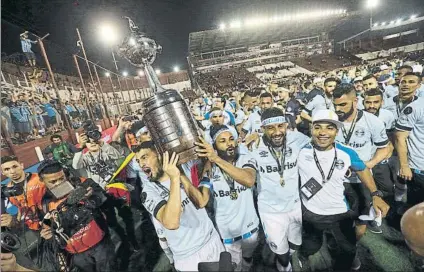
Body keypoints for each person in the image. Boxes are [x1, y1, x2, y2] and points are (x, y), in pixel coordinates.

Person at [297, 109, 389, 271]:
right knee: (311, 245)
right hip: (311, 212)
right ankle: (303, 258)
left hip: (340, 213)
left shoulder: (346, 152)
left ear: (337, 131)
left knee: (347, 249)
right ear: (311, 129)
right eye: (318, 127)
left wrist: (375, 194)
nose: (323, 133)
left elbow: (362, 169)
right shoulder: (300, 150)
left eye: (329, 128)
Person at [134, 142, 224, 271]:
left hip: (211, 240)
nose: (141, 164)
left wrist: (209, 158)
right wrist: (174, 178)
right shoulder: (148, 192)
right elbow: (171, 223)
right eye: (138, 161)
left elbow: (201, 202)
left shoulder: (182, 171)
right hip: (189, 257)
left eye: (144, 157)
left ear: (160, 155)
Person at [249, 107, 310, 272]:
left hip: (295, 205)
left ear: (286, 125)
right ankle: (284, 265)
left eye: (280, 126)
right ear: (262, 129)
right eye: (270, 128)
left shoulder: (298, 139)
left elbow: (322, 141)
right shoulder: (253, 146)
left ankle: (287, 258)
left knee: (296, 244)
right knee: (281, 252)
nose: (277, 132)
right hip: (270, 211)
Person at [194, 125, 259, 271]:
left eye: (231, 139)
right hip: (227, 232)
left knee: (248, 257)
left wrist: (216, 159)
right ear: (214, 146)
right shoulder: (209, 167)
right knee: (234, 267)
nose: (229, 143)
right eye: (222, 141)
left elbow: (248, 180)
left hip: (251, 227)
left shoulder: (245, 158)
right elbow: (203, 200)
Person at [332, 83, 392, 236]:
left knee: (361, 218)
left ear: (355, 101)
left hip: (362, 180)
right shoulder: (330, 120)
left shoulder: (371, 121)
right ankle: (341, 244)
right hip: (335, 180)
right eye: (335, 105)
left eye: (343, 104)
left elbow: (385, 147)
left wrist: (370, 164)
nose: (338, 109)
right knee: (338, 217)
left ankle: (353, 248)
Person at [37, 160, 116, 272]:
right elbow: (49, 226)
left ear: (65, 173)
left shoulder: (83, 183)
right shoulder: (45, 204)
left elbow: (104, 197)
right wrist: (49, 234)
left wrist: (91, 199)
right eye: (53, 181)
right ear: (42, 181)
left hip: (101, 242)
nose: (58, 183)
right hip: (76, 252)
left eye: (61, 178)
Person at [394, 88, 424, 207]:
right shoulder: (415, 107)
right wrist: (404, 166)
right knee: (418, 209)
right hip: (420, 168)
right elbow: (400, 137)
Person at [1, 155, 46, 231]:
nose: (12, 171)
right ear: (3, 173)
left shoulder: (40, 179)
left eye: (15, 166)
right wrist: (14, 222)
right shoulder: (7, 190)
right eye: (7, 169)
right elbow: (20, 207)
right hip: (33, 226)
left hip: (51, 222)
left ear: (21, 165)